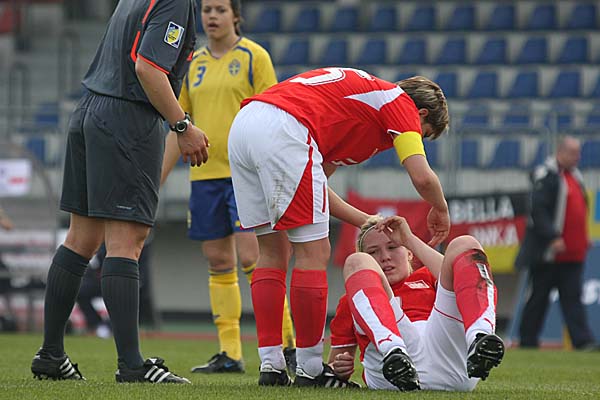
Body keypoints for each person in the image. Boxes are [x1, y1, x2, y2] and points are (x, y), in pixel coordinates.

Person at [228, 70, 451, 387]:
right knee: (314, 252)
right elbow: (422, 177)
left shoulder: (360, 113)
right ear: (422, 114)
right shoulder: (399, 103)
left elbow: (317, 186)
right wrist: (440, 208)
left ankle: (271, 364)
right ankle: (309, 369)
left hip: (246, 125)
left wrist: (366, 220)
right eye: (423, 133)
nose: (417, 136)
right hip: (285, 128)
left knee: (272, 251)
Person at [31, 0, 208, 383]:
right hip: (127, 120)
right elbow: (148, 68)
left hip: (89, 110)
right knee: (127, 242)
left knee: (81, 239)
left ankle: (50, 354)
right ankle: (131, 365)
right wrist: (182, 126)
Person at [161, 0, 296, 375]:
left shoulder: (255, 57)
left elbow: (274, 113)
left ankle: (288, 344)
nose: (211, 16)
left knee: (254, 257)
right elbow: (180, 125)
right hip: (204, 176)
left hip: (246, 176)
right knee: (218, 260)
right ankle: (230, 352)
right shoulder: (193, 63)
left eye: (220, 9)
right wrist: (157, 180)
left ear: (236, 15)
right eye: (206, 9)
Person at [328, 215, 505, 391]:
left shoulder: (427, 276)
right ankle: (393, 351)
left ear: (409, 253)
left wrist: (409, 239)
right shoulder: (352, 299)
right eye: (373, 252)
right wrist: (339, 367)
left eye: (392, 247)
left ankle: (480, 337)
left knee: (466, 243)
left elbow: (458, 272)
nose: (385, 257)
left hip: (449, 361)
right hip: (389, 372)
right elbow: (334, 364)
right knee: (355, 261)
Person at [516, 136, 597, 350]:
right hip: (549, 253)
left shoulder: (575, 176)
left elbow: (580, 210)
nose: (577, 157)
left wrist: (583, 238)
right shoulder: (548, 175)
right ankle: (527, 339)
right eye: (573, 153)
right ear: (560, 152)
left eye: (578, 153)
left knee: (573, 298)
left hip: (572, 253)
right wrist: (552, 236)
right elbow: (538, 210)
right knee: (538, 297)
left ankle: (582, 341)